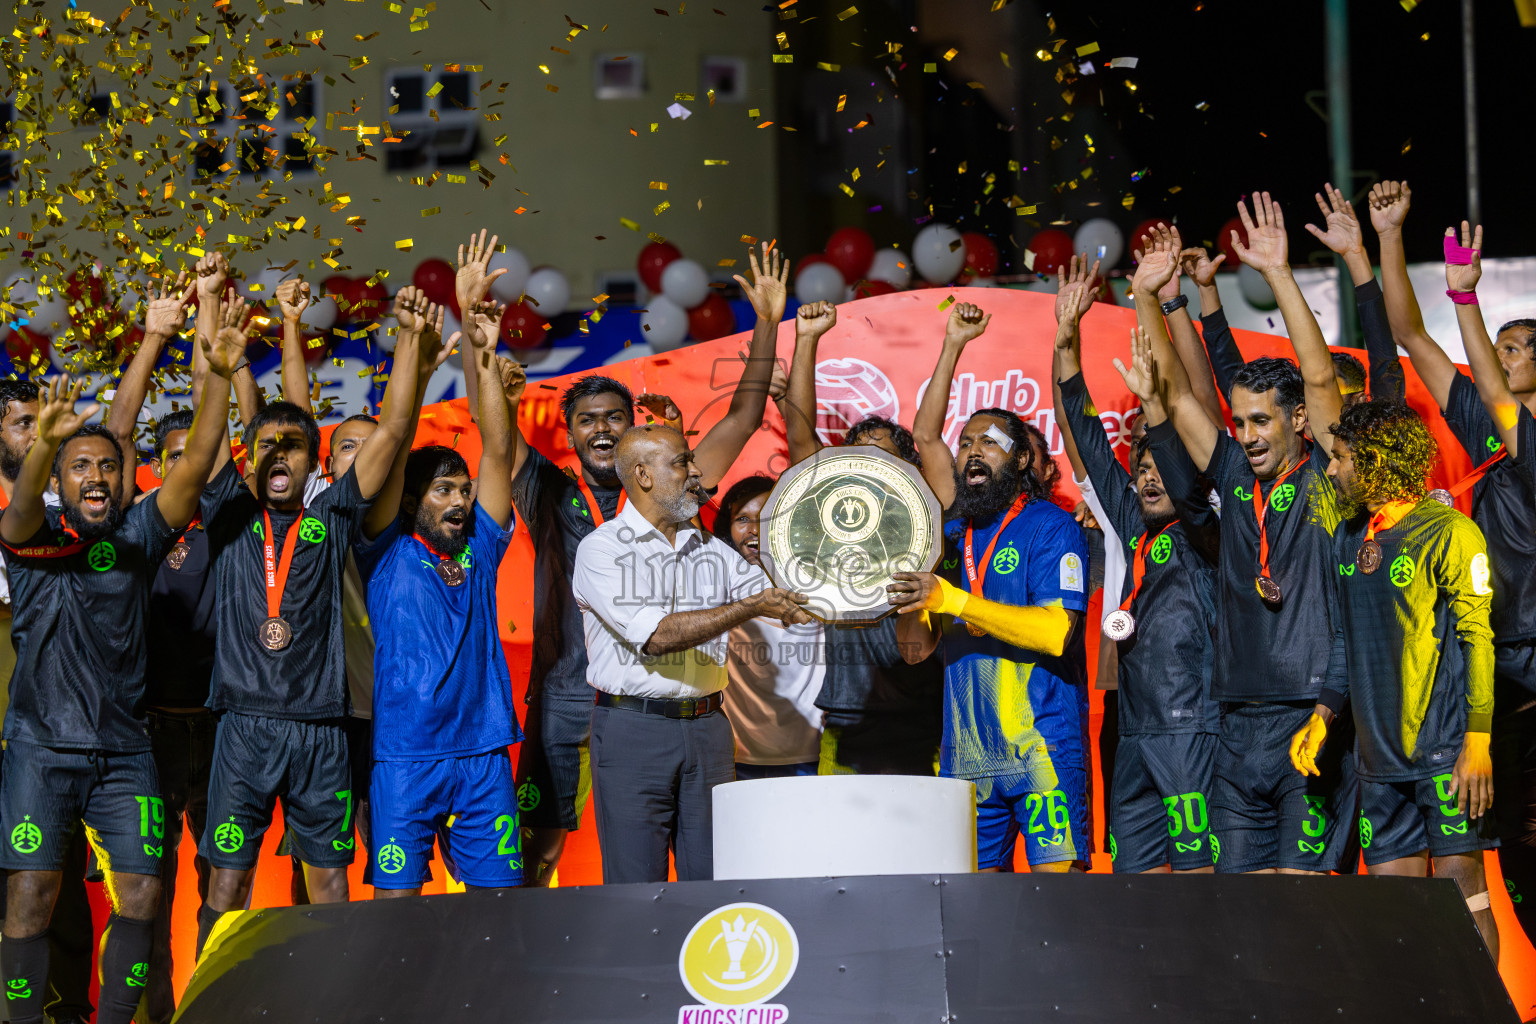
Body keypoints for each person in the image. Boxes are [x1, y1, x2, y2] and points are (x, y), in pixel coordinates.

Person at [461, 238, 790, 886]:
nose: (602, 428)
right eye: (587, 420)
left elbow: (744, 415)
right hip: (569, 691)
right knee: (540, 849)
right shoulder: (550, 487)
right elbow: (495, 440)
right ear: (572, 431)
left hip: (678, 703)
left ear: (634, 437)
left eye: (614, 416)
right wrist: (479, 341)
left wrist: (769, 322)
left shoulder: (681, 489)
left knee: (699, 872)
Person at [0, 301, 242, 1024]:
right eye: (81, 467)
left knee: (142, 896)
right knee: (31, 896)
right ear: (61, 481)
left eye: (109, 465)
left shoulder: (139, 530)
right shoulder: (35, 535)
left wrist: (220, 380)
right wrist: (45, 442)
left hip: (126, 752)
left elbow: (196, 462)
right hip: (41, 751)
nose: (97, 476)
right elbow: (16, 511)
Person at [194, 291, 437, 955]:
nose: (279, 456)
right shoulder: (228, 514)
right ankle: (209, 1003)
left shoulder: (330, 517)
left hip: (322, 732)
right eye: (266, 446)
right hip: (243, 728)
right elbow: (210, 426)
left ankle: (333, 1003)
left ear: (314, 464)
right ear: (247, 458)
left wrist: (412, 340)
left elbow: (392, 432)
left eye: (295, 447)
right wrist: (217, 350)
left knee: (329, 886)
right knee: (226, 885)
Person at [1139, 195, 1356, 874]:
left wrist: (1281, 274)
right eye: (1241, 421)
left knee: (1306, 914)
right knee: (1241, 917)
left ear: (1297, 422)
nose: (1249, 435)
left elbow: (1319, 377)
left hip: (1311, 719)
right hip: (1237, 724)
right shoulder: (1235, 471)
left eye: (1263, 421)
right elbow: (1175, 398)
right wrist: (1148, 297)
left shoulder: (1325, 471)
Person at [1370, 181, 1536, 942]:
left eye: (1529, 343)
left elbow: (1499, 397)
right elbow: (1410, 333)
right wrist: (1390, 235)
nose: (1514, 351)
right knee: (1515, 863)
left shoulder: (1523, 439)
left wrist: (1466, 302)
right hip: (1499, 675)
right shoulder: (1492, 441)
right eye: (1509, 341)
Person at [1292, 399, 1497, 956]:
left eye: (1340, 458)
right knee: (1396, 918)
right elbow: (1343, 638)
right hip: (1377, 760)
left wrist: (1477, 739)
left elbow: (1479, 639)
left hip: (1446, 751)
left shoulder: (1450, 532)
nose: (1331, 470)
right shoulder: (1348, 539)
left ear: (1375, 459)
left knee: (1462, 898)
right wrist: (1322, 714)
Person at [890, 313, 1093, 872]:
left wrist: (953, 601)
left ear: (1022, 459)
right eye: (967, 442)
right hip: (966, 759)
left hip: (1041, 750)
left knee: (1060, 910)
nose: (973, 450)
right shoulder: (948, 538)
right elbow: (915, 651)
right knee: (973, 915)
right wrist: (914, 601)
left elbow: (1056, 633)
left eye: (992, 442)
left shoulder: (1052, 527)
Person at [571, 424, 812, 883]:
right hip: (633, 732)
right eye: (682, 461)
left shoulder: (713, 550)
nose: (696, 471)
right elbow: (657, 636)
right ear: (643, 475)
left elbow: (784, 599)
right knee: (636, 885)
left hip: (709, 730)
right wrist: (751, 606)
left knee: (714, 880)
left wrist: (855, 586)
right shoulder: (602, 550)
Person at [355, 298, 522, 895]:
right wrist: (415, 358)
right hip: (405, 756)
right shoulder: (383, 549)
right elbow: (394, 442)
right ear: (408, 500)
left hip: (483, 753)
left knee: (498, 908)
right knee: (395, 910)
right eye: (440, 491)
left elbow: (499, 454)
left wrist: (483, 351)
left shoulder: (479, 543)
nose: (458, 501)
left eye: (462, 489)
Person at [1056, 302, 1222, 873]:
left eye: (1160, 470)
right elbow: (1089, 440)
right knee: (1136, 886)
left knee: (1199, 883)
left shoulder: (1208, 533)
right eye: (1142, 468)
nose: (1148, 478)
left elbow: (1187, 468)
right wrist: (1066, 342)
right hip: (1133, 730)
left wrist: (1156, 410)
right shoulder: (1131, 530)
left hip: (1192, 729)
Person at [777, 299, 946, 777]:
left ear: (910, 472)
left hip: (925, 729)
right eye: (857, 461)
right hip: (845, 728)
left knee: (924, 853)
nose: (868, 472)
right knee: (842, 853)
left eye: (884, 462)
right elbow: (800, 437)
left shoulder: (932, 530)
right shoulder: (829, 528)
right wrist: (806, 339)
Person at [1181, 183, 1404, 408]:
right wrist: (1206, 289)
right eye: (1305, 392)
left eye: (1330, 388)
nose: (1316, 397)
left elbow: (1383, 359)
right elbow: (1234, 384)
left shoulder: (1379, 434)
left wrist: (1355, 254)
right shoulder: (1292, 441)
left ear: (1358, 400)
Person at [713, 475, 823, 779]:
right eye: (742, 519)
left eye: (766, 517)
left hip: (811, 751)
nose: (753, 529)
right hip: (740, 755)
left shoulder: (817, 573)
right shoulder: (719, 576)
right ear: (728, 528)